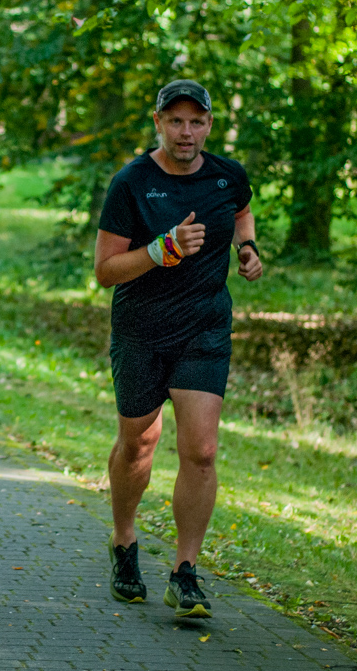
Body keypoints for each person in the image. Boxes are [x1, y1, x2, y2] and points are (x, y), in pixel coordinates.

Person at [94, 79, 263, 619]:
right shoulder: (132, 183)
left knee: (202, 450)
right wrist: (160, 250)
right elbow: (105, 271)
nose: (186, 132)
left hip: (204, 330)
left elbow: (239, 211)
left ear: (209, 125)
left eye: (196, 121)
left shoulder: (227, 175)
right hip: (141, 331)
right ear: (158, 122)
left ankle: (185, 572)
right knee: (138, 444)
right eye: (175, 121)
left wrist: (248, 247)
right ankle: (124, 544)